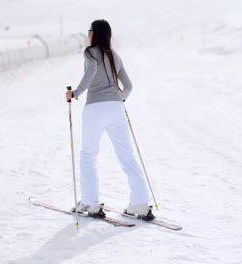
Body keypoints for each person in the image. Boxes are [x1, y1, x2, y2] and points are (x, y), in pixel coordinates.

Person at [65, 20, 151, 218]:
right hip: (116, 109)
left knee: (88, 156)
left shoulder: (90, 52)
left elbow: (90, 73)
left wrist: (75, 93)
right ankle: (139, 203)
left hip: (95, 108)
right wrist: (119, 98)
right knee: (127, 155)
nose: (88, 34)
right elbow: (128, 85)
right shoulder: (114, 55)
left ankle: (90, 203)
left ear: (95, 33)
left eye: (89, 31)